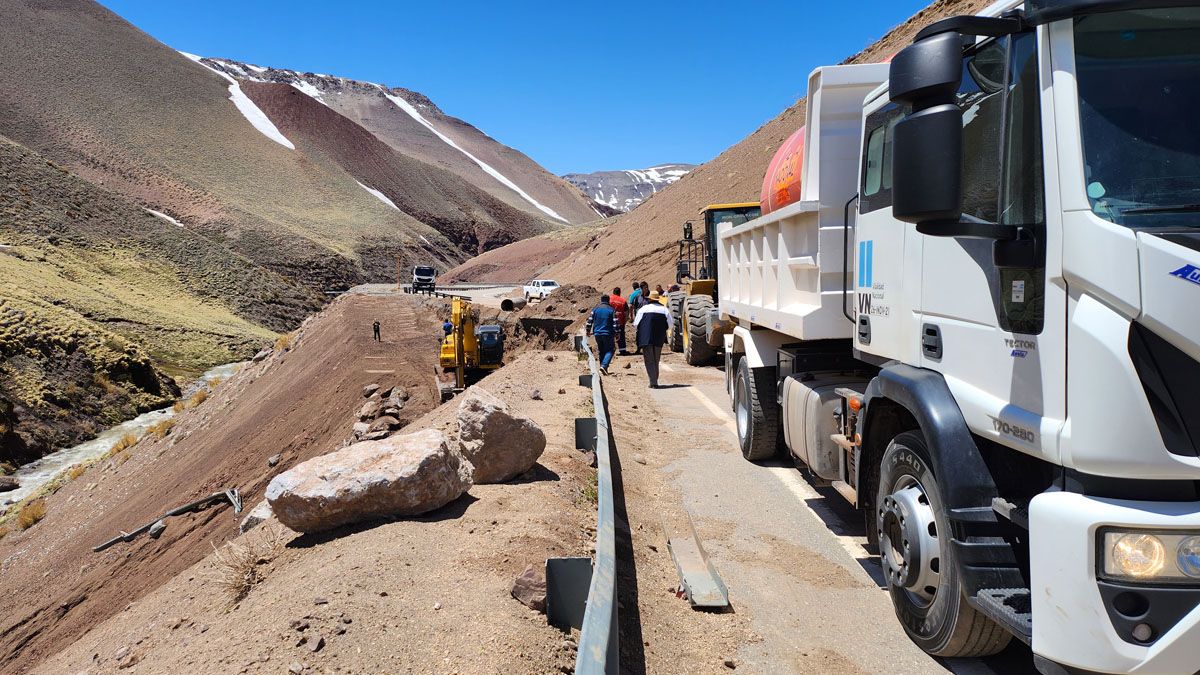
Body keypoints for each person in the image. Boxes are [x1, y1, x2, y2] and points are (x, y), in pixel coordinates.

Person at [633, 290, 671, 388]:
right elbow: (670, 325)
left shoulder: (643, 309)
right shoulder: (664, 309)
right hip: (659, 338)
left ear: (649, 299)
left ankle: (653, 382)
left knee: (649, 360)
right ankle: (654, 380)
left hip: (646, 338)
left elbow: (636, 324)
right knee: (656, 360)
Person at [586, 294, 617, 374]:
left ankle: (602, 368)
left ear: (601, 300)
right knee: (610, 349)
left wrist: (588, 331)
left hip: (597, 333)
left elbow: (589, 321)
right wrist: (617, 333)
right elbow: (615, 323)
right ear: (608, 300)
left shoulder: (595, 309)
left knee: (601, 350)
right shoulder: (611, 310)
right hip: (608, 333)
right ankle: (604, 366)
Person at [609, 287, 629, 355]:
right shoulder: (623, 301)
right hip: (620, 321)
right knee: (621, 336)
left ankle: (610, 351)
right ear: (619, 293)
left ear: (613, 292)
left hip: (610, 322)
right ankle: (622, 351)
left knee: (610, 336)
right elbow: (626, 313)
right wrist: (624, 321)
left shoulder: (609, 299)